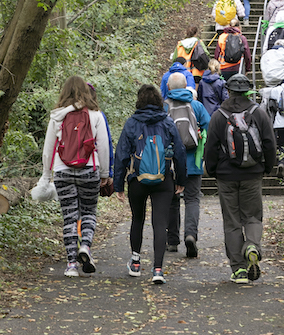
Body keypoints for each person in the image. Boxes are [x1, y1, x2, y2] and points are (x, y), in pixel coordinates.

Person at [204, 73, 277, 284]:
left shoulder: (219, 116)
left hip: (226, 176)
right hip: (252, 174)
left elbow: (211, 147)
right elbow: (269, 143)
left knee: (232, 221)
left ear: (228, 90)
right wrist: (266, 168)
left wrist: (213, 170)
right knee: (253, 216)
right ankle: (252, 245)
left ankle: (239, 270)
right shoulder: (259, 113)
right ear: (248, 91)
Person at [113, 84, 187, 284]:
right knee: (160, 223)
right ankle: (158, 269)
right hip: (164, 179)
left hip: (137, 179)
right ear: (158, 101)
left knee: (137, 219)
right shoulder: (168, 122)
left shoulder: (132, 123)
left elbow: (120, 155)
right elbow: (179, 152)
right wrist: (181, 180)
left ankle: (136, 263)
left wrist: (118, 185)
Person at [41, 76, 112, 277]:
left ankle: (71, 264)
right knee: (89, 212)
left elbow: (48, 150)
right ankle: (86, 247)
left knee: (69, 217)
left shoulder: (57, 116)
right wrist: (105, 174)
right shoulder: (95, 115)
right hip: (89, 169)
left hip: (62, 171)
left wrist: (47, 175)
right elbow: (104, 146)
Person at [164, 73, 210, 258]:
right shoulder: (196, 105)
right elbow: (209, 127)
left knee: (171, 201)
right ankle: (190, 235)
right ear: (186, 86)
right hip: (192, 162)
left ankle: (172, 241)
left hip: (170, 163)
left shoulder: (164, 106)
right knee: (192, 200)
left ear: (168, 87)